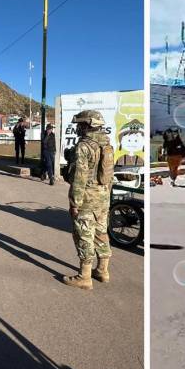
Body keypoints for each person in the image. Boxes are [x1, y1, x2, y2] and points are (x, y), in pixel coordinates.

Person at [63, 110, 114, 290]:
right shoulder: (107, 144)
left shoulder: (84, 146)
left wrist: (74, 203)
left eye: (80, 124)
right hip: (103, 197)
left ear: (87, 125)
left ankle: (84, 277)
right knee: (101, 232)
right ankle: (102, 271)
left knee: (84, 234)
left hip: (87, 198)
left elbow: (79, 178)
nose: (78, 128)